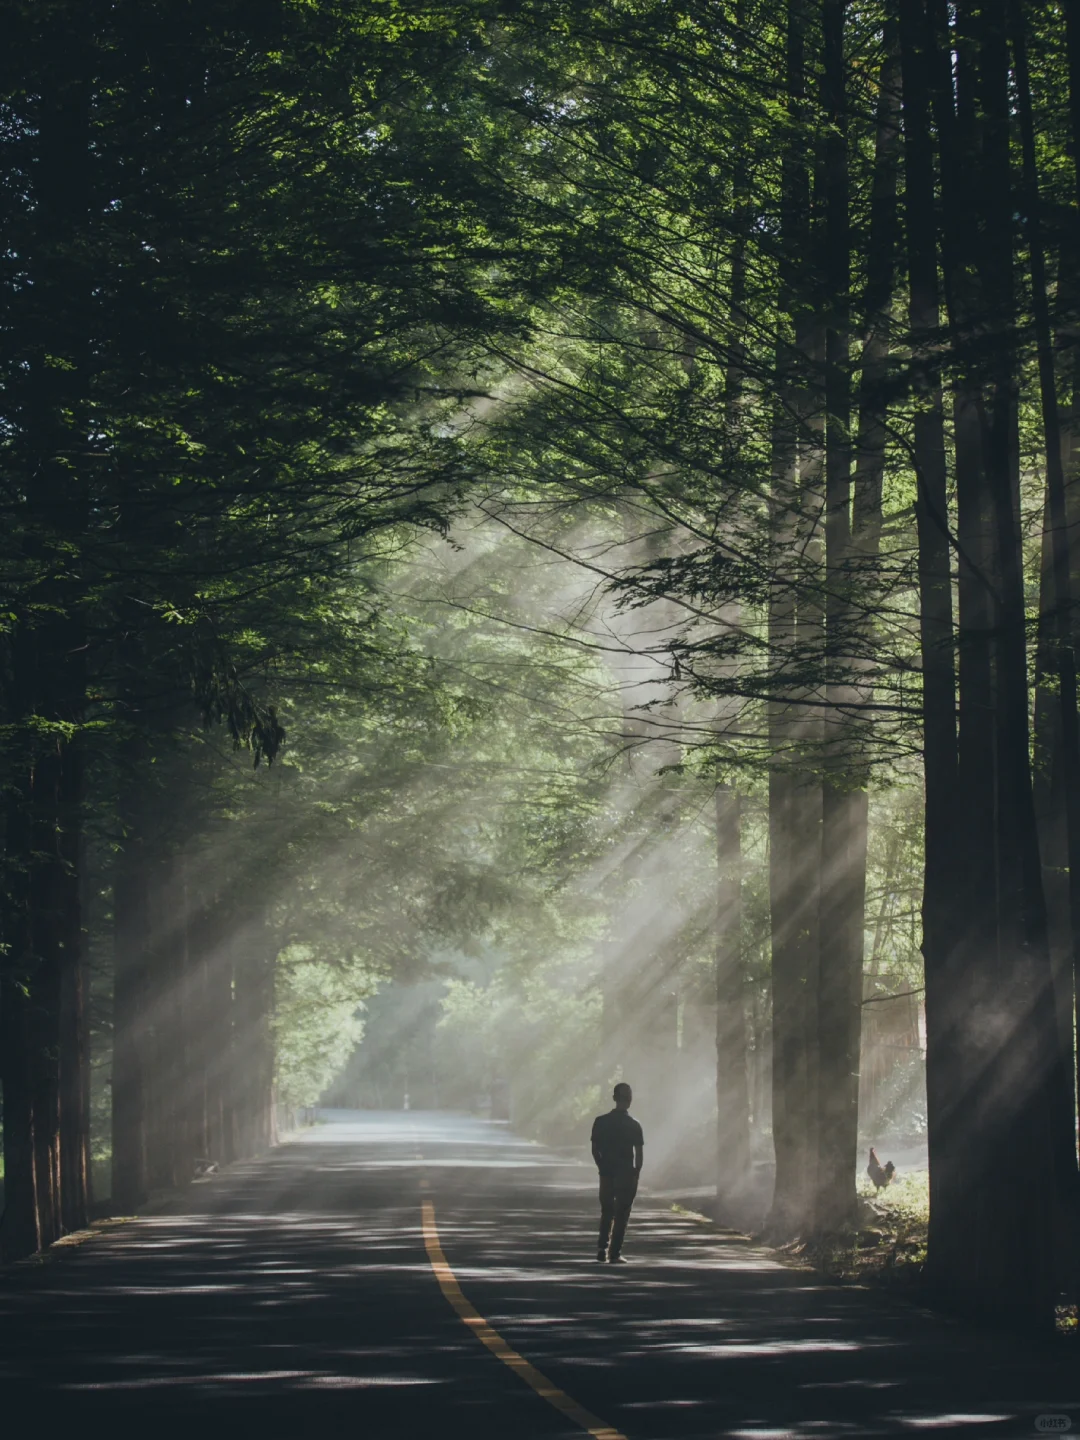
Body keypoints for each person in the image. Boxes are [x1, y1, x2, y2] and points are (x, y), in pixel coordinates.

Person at [590, 1082, 643, 1263]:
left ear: (614, 1098)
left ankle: (601, 1248)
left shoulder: (601, 1121)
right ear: (630, 1100)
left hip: (606, 1172)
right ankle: (615, 1252)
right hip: (626, 1173)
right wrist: (636, 1172)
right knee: (622, 1213)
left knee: (607, 1211)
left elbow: (594, 1149)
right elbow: (639, 1154)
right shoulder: (634, 1125)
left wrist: (601, 1166)